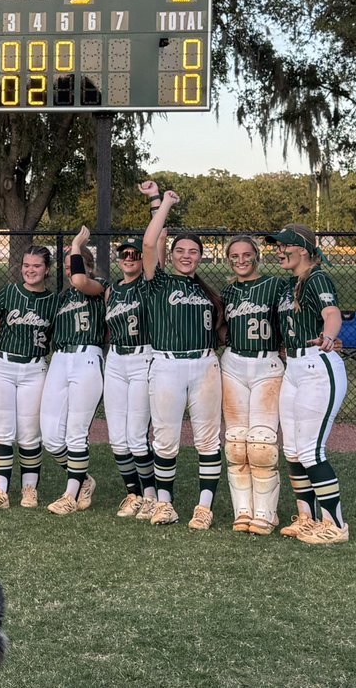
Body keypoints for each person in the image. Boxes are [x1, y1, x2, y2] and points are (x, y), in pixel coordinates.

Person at [140, 183, 225, 529]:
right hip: (167, 365)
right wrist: (164, 205)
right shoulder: (158, 283)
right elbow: (149, 242)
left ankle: (204, 506)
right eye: (181, 251)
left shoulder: (207, 291)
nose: (187, 256)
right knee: (165, 438)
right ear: (172, 255)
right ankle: (165, 504)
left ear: (200, 257)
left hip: (204, 364)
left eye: (193, 252)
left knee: (207, 438)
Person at [269, 224, 350, 545]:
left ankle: (335, 525)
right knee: (291, 450)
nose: (278, 251)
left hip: (318, 365)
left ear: (303, 249)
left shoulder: (317, 278)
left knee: (310, 450)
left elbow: (331, 313)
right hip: (294, 368)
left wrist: (330, 336)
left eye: (284, 246)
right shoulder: (292, 284)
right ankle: (307, 518)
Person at [0, 245, 60, 510]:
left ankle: (29, 490)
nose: (30, 270)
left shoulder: (54, 301)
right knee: (1, 433)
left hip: (35, 369)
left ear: (46, 269)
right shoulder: (9, 292)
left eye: (36, 266)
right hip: (1, 366)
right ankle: (0, 491)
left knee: (29, 435)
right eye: (26, 265)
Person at [219, 234, 285, 535]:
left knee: (261, 444)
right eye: (235, 256)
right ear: (228, 258)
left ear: (257, 256)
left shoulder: (274, 285)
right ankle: (242, 510)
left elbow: (292, 320)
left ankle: (266, 512)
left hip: (266, 363)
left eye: (247, 255)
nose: (241, 260)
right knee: (235, 442)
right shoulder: (228, 292)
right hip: (233, 364)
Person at [40, 228, 107, 515]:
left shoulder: (98, 285)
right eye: (66, 268)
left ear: (89, 267)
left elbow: (82, 280)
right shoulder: (61, 299)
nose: (71, 273)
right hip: (60, 359)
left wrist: (77, 245)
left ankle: (70, 494)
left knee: (75, 434)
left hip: (87, 358)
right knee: (51, 438)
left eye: (76, 265)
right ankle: (84, 479)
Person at [103, 229, 159, 522]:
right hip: (116, 359)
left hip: (142, 356)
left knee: (137, 436)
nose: (129, 258)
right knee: (118, 438)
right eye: (124, 254)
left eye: (135, 254)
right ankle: (133, 492)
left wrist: (157, 202)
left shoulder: (149, 285)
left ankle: (151, 495)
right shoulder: (112, 290)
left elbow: (155, 245)